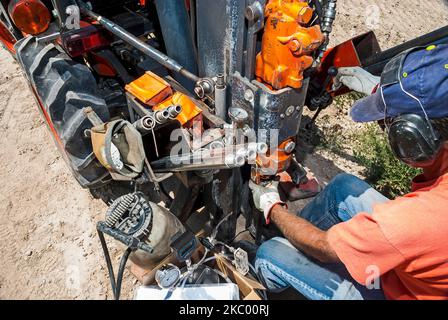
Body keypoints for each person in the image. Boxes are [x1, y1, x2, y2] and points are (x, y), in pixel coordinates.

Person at [249, 44, 448, 300]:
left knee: (270, 255)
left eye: (389, 125)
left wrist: (272, 207)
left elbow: (326, 248)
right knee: (344, 188)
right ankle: (289, 237)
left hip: (398, 292)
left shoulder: (416, 220)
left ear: (414, 138)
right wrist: (386, 92)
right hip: (422, 260)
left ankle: (265, 281)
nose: (383, 129)